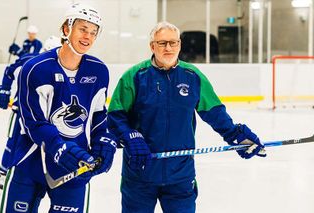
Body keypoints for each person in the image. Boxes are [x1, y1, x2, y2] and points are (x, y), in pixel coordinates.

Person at [107, 21, 266, 213]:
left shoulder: (192, 76)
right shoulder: (134, 76)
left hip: (180, 176)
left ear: (180, 45)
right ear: (152, 46)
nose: (168, 48)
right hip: (140, 173)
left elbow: (214, 112)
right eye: (162, 43)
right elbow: (115, 117)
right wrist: (130, 136)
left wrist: (236, 135)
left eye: (173, 43)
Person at [0, 3, 117, 212]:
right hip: (30, 161)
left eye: (93, 32)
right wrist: (57, 145)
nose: (87, 37)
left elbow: (99, 117)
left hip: (74, 163)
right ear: (66, 29)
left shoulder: (99, 71)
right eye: (83, 29)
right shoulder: (36, 68)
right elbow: (33, 123)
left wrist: (103, 141)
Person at [0, 36, 61, 192]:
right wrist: (4, 91)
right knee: (14, 143)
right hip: (20, 113)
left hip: (43, 119)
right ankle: (4, 174)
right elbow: (10, 71)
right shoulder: (29, 61)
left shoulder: (62, 67)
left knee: (37, 147)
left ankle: (36, 176)